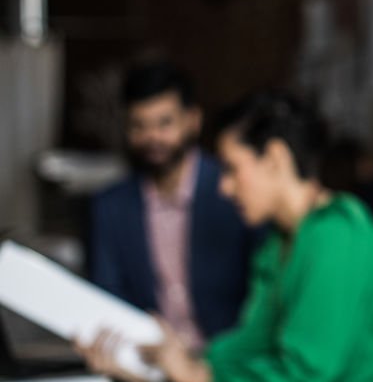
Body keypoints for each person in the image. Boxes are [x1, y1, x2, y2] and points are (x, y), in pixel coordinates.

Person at [136, 91, 373, 382]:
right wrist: (177, 362)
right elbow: (253, 342)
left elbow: (308, 370)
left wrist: (200, 377)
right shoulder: (278, 245)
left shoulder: (336, 235)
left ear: (275, 158)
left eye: (231, 169)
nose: (224, 187)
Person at [87, 61, 257, 354]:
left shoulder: (235, 191)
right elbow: (107, 299)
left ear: (192, 120)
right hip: (146, 364)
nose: (152, 137)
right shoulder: (110, 207)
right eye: (138, 126)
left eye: (164, 123)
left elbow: (260, 296)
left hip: (230, 363)